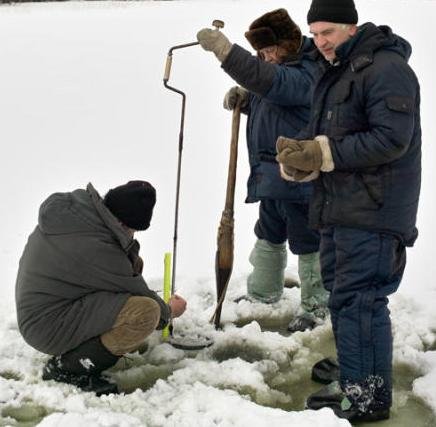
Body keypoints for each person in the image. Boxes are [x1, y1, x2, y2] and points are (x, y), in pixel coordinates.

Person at [276, 0, 421, 421]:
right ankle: (359, 372)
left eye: (328, 32)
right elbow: (333, 132)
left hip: (373, 210)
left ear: (352, 27)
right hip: (341, 206)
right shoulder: (339, 70)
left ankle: (367, 397)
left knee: (360, 302)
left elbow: (391, 138)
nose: (319, 42)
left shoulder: (386, 70)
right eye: (315, 33)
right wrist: (301, 156)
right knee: (344, 298)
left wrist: (321, 153)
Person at [196, 9, 329, 332]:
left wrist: (227, 53)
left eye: (271, 51)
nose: (267, 58)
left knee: (307, 242)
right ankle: (263, 293)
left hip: (298, 180)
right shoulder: (282, 70)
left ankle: (316, 306)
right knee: (268, 235)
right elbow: (270, 94)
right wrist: (249, 100)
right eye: (261, 53)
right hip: (270, 177)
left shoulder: (309, 72)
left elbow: (275, 84)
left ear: (289, 44)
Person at [15, 181, 187, 395]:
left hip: (45, 310)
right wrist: (170, 311)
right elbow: (136, 290)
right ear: (125, 223)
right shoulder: (99, 248)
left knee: (133, 268)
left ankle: (84, 350)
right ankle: (69, 369)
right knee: (145, 313)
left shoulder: (80, 215)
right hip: (47, 326)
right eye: (134, 229)